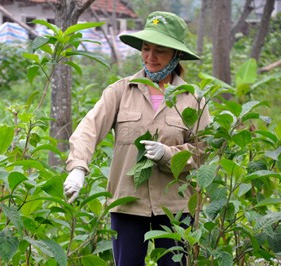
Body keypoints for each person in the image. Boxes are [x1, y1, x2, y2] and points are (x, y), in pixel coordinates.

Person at [63, 11, 211, 266]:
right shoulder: (120, 91)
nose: (150, 57)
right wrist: (77, 168)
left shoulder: (193, 99)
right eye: (145, 49)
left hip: (175, 205)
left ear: (176, 55)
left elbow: (204, 151)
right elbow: (89, 128)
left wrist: (169, 155)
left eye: (160, 51)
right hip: (127, 202)